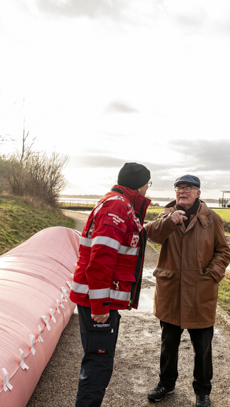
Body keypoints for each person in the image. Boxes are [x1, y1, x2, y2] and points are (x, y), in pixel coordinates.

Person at [69, 162, 152, 407]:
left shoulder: (118, 204)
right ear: (140, 184)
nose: (149, 187)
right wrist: (100, 306)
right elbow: (101, 259)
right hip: (98, 301)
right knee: (98, 364)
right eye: (149, 182)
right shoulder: (118, 206)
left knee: (97, 363)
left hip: (99, 298)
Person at [145, 175, 230, 407]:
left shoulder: (213, 219)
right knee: (168, 344)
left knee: (203, 349)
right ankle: (166, 384)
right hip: (171, 291)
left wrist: (212, 275)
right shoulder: (166, 215)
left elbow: (223, 252)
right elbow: (150, 233)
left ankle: (202, 391)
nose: (183, 192)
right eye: (179, 188)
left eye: (188, 188)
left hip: (200, 293)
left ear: (198, 193)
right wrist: (170, 221)